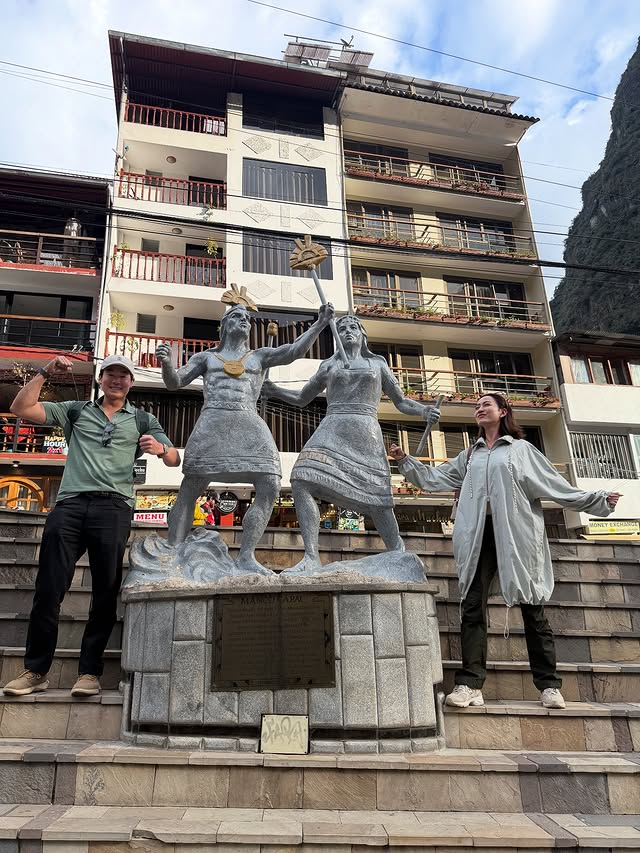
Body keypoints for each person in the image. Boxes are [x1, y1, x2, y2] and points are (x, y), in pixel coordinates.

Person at [389, 392, 621, 710]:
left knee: (533, 608)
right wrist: (405, 460)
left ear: (503, 412)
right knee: (473, 607)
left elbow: (556, 486)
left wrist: (597, 499)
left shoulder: (521, 450)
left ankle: (549, 685)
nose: (479, 408)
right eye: (477, 406)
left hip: (517, 536)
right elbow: (434, 478)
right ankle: (470, 684)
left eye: (486, 404)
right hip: (478, 537)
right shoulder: (470, 455)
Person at [2, 354, 180, 698]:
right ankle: (36, 671)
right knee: (48, 589)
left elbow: (174, 459)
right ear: (101, 379)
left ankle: (89, 673)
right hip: (69, 505)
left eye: (123, 375)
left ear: (131, 382)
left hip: (113, 507)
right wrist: (45, 372)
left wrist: (160, 449)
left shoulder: (142, 419)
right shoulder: (76, 410)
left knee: (104, 592)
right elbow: (21, 408)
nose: (117, 380)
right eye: (111, 373)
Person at [155, 297, 334, 572]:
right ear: (225, 325)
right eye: (238, 317)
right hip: (212, 421)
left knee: (270, 483)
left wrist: (320, 324)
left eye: (247, 319)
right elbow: (174, 382)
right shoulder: (206, 357)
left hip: (248, 419)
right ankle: (174, 549)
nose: (244, 321)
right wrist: (167, 363)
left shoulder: (259, 356)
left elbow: (293, 351)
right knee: (191, 486)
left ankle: (247, 556)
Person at [262, 314, 440, 572]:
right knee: (301, 479)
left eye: (353, 326)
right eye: (342, 327)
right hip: (332, 427)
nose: (347, 330)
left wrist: (424, 411)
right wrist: (275, 390)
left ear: (362, 334)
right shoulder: (329, 365)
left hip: (365, 430)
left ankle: (396, 549)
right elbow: (302, 397)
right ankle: (311, 556)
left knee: (379, 500)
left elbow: (401, 401)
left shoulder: (377, 363)